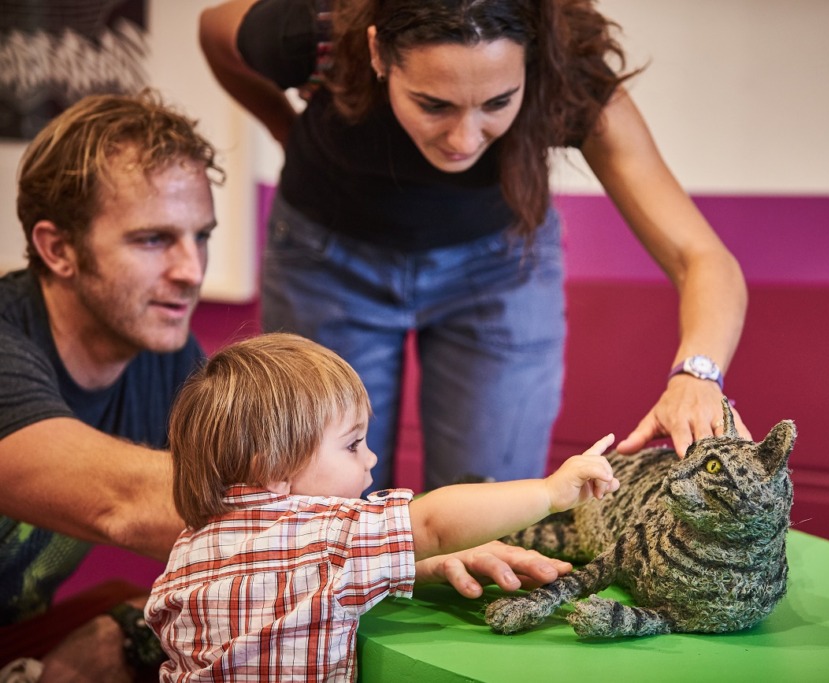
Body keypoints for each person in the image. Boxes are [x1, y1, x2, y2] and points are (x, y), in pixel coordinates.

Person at [0, 91, 575, 683]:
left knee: (125, 629)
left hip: (22, 634)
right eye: (152, 240)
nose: (191, 270)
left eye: (200, 236)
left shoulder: (161, 359)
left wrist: (392, 560)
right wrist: (393, 543)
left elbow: (239, 541)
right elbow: (132, 505)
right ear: (57, 249)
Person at [198, 0, 752, 493]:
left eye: (497, 102)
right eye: (433, 104)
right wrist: (283, 129)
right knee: (325, 500)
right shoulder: (317, 30)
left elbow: (701, 256)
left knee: (491, 501)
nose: (465, 139)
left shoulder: (571, 82)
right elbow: (215, 31)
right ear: (377, 53)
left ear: (530, 64)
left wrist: (698, 374)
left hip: (499, 270)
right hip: (327, 263)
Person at [145, 332, 618, 682]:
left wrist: (423, 565)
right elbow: (433, 521)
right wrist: (550, 492)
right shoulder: (329, 536)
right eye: (353, 445)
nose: (372, 459)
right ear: (273, 467)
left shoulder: (189, 548)